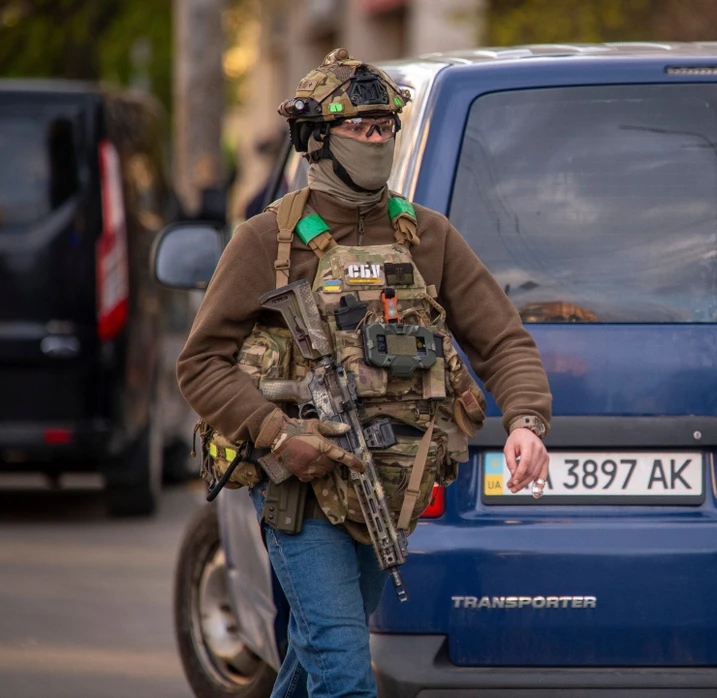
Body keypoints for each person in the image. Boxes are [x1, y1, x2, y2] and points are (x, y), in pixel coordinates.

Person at [177, 48, 552, 698]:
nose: (377, 140)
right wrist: (276, 434)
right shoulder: (266, 241)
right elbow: (200, 364)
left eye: (385, 128)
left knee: (315, 654)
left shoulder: (425, 236)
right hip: (297, 491)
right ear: (317, 138)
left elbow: (502, 340)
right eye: (361, 127)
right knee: (344, 669)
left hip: (388, 484)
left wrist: (526, 420)